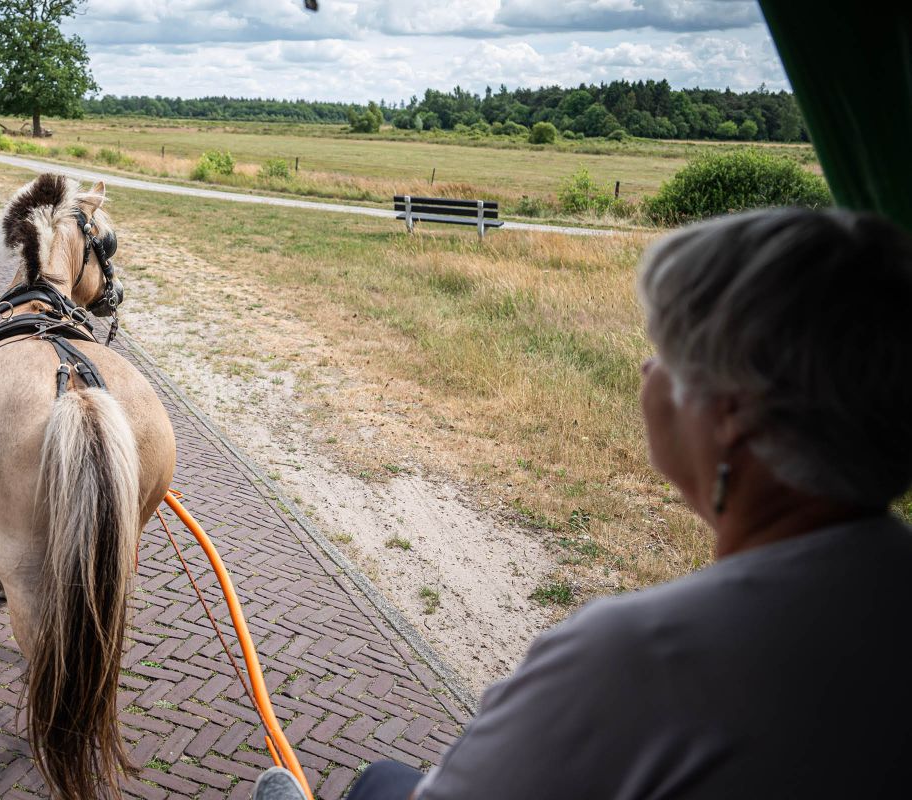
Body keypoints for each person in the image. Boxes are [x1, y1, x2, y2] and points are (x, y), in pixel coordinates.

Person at [338, 207, 912, 799]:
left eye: (665, 349)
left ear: (732, 411)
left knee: (379, 780)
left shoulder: (634, 656)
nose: (646, 368)